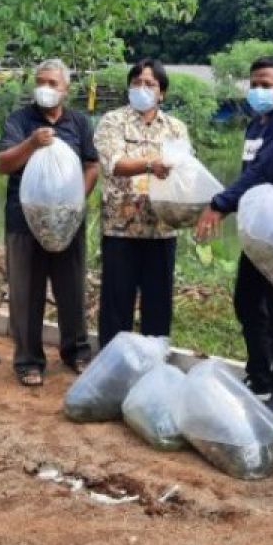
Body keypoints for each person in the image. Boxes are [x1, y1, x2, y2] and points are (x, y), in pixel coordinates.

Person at [195, 56, 273, 420]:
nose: (258, 90)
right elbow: (250, 173)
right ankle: (259, 376)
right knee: (247, 304)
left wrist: (220, 204)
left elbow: (262, 173)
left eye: (266, 84)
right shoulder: (257, 125)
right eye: (254, 83)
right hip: (260, 233)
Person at [0, 59, 98, 387]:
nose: (46, 88)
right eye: (41, 81)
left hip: (68, 220)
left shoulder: (80, 123)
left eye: (53, 83)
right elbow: (2, 164)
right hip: (25, 220)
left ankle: (76, 352)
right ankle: (28, 360)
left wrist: (75, 202)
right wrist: (31, 143)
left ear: (66, 89)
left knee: (71, 288)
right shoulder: (19, 120)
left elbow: (92, 165)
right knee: (26, 292)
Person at [93, 58, 189, 346]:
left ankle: (153, 369)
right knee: (116, 304)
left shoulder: (176, 128)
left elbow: (184, 170)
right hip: (120, 227)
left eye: (150, 84)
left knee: (158, 306)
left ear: (163, 93)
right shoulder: (112, 121)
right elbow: (114, 163)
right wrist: (152, 164)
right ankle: (112, 369)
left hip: (162, 228)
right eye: (137, 83)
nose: (142, 88)